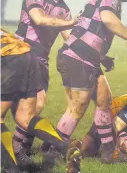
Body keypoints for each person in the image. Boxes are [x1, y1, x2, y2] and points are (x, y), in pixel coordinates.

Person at [54, 0, 127, 164]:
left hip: (85, 57)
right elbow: (107, 19)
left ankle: (108, 153)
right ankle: (53, 150)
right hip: (78, 57)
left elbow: (90, 29)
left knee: (104, 100)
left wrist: (102, 57)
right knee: (77, 108)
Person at [13, 0, 78, 158]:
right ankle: (18, 149)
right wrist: (71, 22)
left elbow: (70, 38)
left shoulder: (64, 9)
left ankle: (21, 148)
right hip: (21, 51)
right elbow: (39, 19)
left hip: (41, 59)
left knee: (34, 104)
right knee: (35, 103)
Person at [1, 29, 81, 173]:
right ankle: (67, 148)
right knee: (26, 117)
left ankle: (11, 169)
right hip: (27, 54)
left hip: (9, 57)